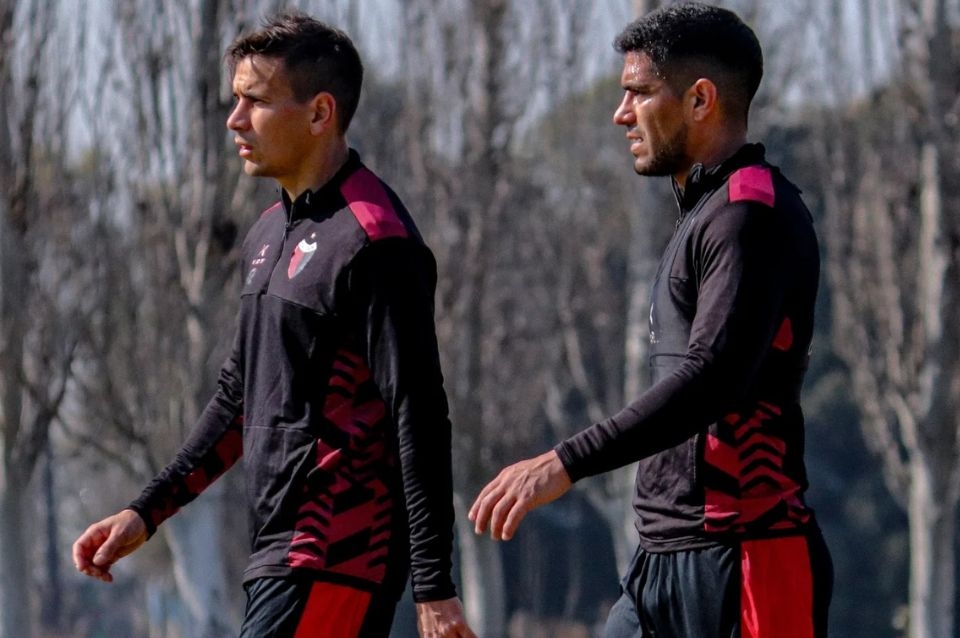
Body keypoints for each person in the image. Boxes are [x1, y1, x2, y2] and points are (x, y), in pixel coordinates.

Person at [73, 12, 475, 638]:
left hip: (337, 555)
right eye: (235, 100)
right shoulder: (266, 234)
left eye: (256, 101)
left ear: (320, 114)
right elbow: (239, 400)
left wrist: (434, 585)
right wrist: (145, 512)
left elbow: (418, 413)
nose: (235, 119)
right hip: (277, 556)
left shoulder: (375, 239)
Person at [469, 3, 832, 637]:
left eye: (638, 92)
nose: (621, 113)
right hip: (660, 560)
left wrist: (565, 461)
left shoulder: (750, 212)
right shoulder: (705, 213)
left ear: (700, 100)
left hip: (746, 557)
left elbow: (712, 378)